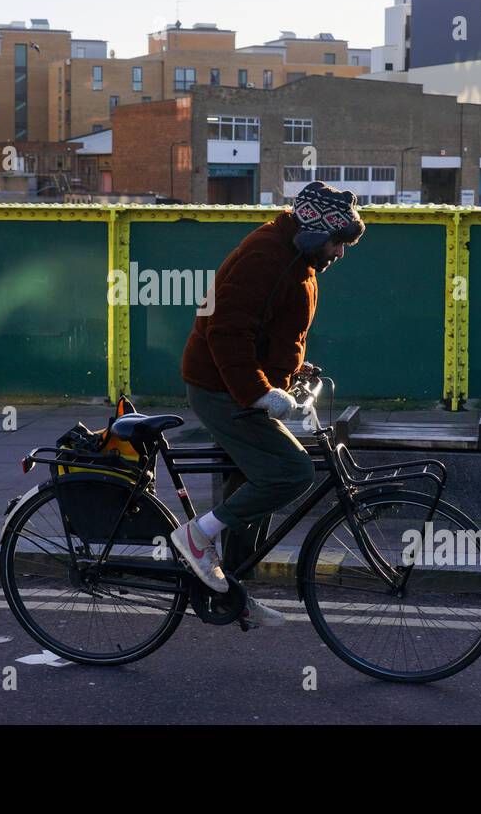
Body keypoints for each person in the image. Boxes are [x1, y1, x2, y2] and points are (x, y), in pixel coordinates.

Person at [172, 181, 365, 627]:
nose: (340, 253)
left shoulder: (297, 258)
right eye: (338, 242)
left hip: (237, 384)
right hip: (219, 388)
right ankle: (197, 538)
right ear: (318, 232)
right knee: (290, 472)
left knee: (255, 494)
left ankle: (229, 590)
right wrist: (259, 393)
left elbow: (274, 330)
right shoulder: (266, 257)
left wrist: (292, 369)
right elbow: (226, 332)